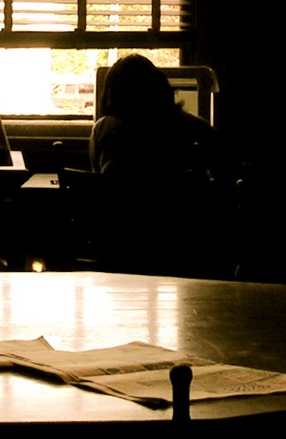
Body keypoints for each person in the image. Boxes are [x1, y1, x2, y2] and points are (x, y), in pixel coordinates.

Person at [86, 55, 224, 277]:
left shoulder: (102, 129)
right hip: (178, 247)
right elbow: (225, 165)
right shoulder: (191, 127)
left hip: (118, 245)